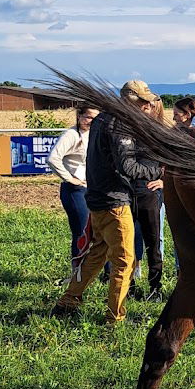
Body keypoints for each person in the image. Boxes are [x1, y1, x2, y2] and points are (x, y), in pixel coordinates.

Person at [51, 80, 162, 324]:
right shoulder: (121, 125)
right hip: (115, 201)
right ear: (133, 101)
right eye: (144, 101)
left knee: (97, 254)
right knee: (125, 260)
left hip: (96, 198)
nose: (148, 105)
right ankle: (116, 317)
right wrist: (159, 170)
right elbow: (128, 166)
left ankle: (68, 301)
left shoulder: (102, 118)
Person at [47, 105, 99, 270]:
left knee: (99, 232)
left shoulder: (95, 134)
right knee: (82, 231)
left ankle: (101, 272)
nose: (91, 121)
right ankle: (78, 271)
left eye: (95, 118)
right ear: (79, 116)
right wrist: (70, 178)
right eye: (88, 117)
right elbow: (53, 158)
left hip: (93, 189)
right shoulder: (71, 134)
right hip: (75, 190)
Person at [130, 98, 165, 301]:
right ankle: (130, 286)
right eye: (142, 106)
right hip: (125, 193)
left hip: (149, 194)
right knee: (127, 243)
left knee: (153, 242)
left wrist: (163, 181)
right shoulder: (124, 130)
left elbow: (170, 161)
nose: (145, 110)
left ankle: (155, 288)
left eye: (149, 106)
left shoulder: (158, 132)